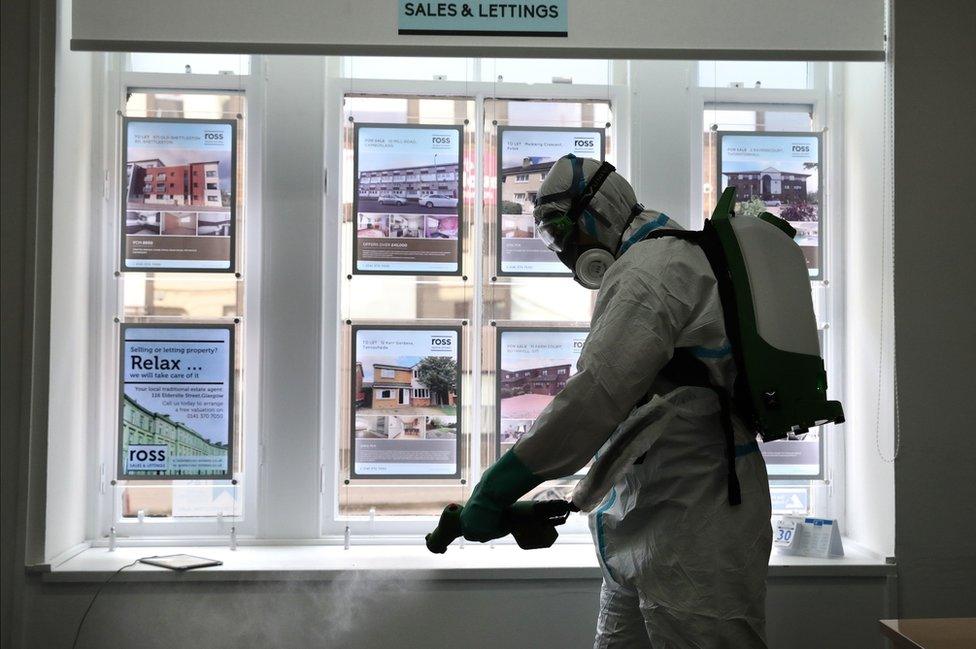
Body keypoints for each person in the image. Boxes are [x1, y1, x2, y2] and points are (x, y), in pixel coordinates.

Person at [460, 155, 772, 648]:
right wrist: (561, 499)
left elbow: (594, 400)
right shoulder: (650, 263)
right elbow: (632, 418)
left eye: (562, 229)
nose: (563, 248)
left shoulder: (652, 271)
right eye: (548, 236)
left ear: (599, 212)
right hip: (645, 519)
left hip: (695, 523)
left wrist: (496, 489)